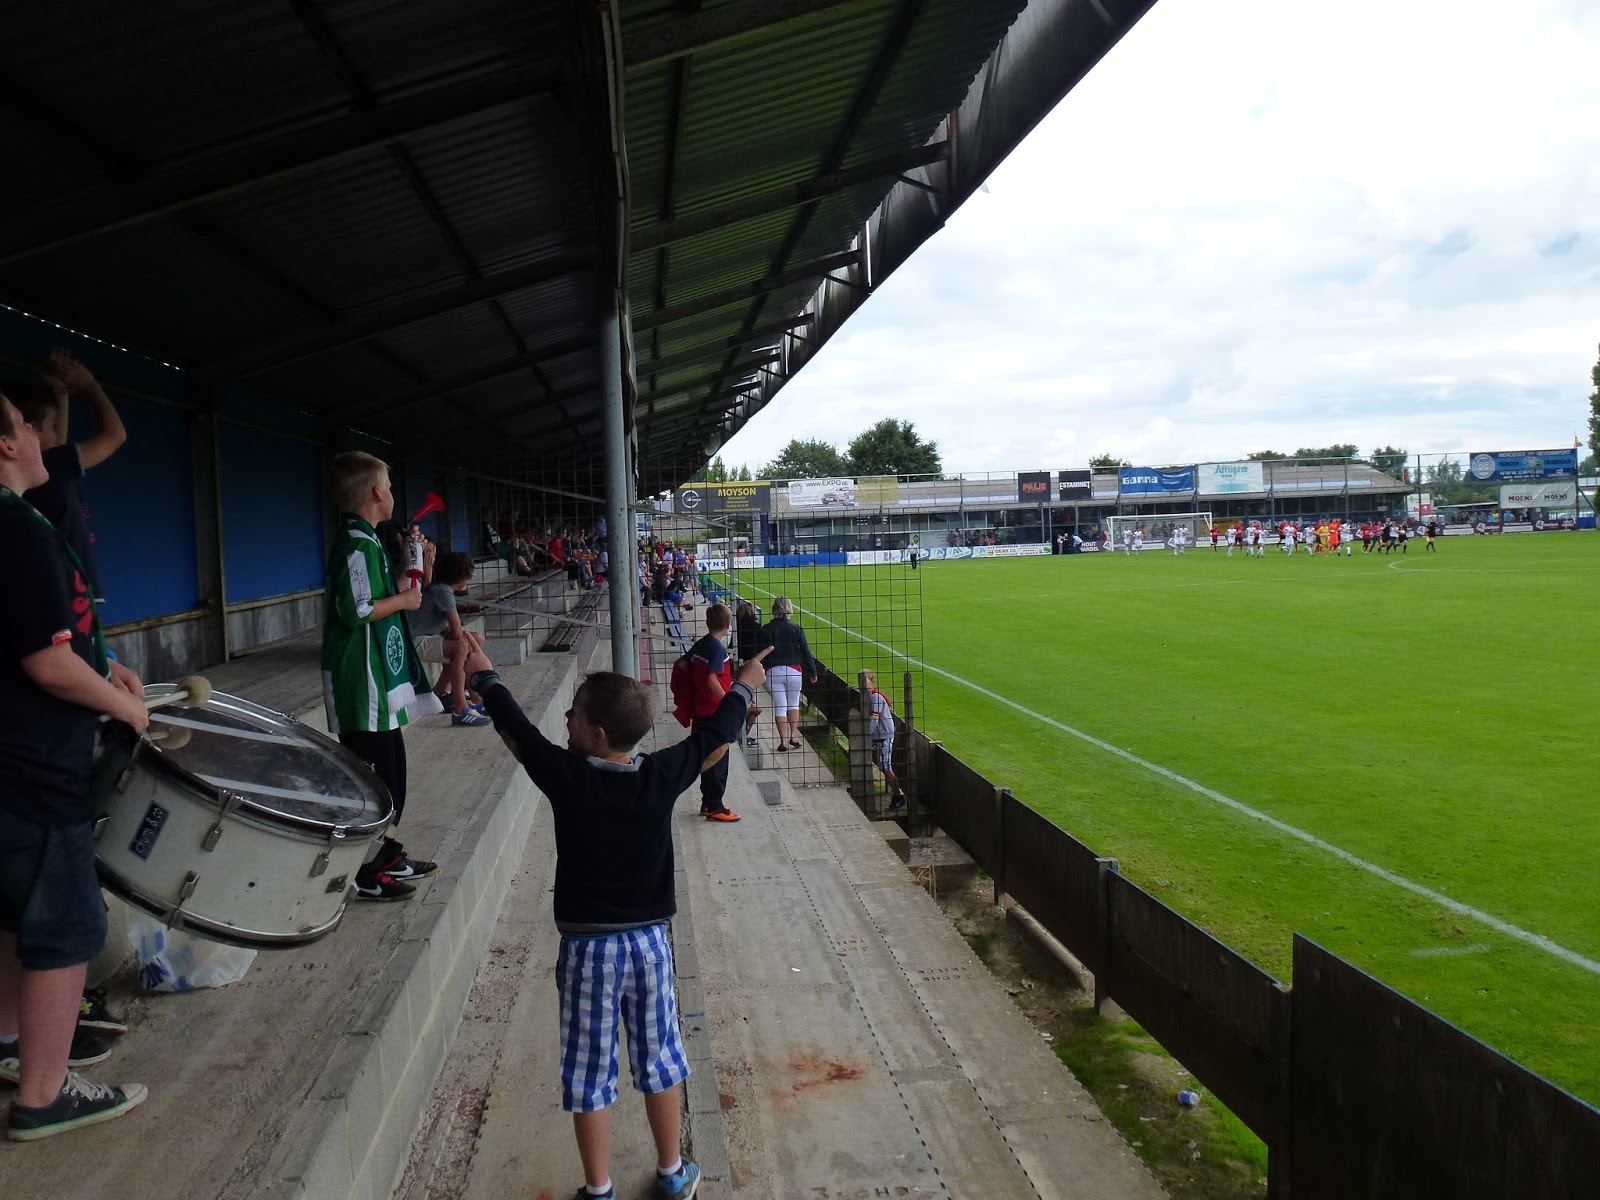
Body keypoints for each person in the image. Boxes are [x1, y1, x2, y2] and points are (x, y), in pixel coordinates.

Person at [463, 645, 771, 1200]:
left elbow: (516, 732)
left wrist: (485, 677)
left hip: (586, 956)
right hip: (651, 948)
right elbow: (714, 736)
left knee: (589, 1073)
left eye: (574, 716)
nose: (565, 722)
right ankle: (673, 1173)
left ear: (597, 734)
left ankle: (599, 1188)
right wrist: (746, 683)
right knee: (661, 1060)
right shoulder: (659, 775)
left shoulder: (568, 777)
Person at [0, 391, 149, 1139]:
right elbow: (46, 664)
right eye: (25, 424)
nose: (35, 433)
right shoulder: (18, 530)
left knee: (9, 916)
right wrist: (122, 707)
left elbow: (35, 631)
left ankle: (7, 1044)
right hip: (32, 766)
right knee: (63, 930)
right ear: (5, 447)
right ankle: (43, 1095)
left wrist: (107, 663)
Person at [321, 451, 448, 901]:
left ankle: (383, 853)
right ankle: (364, 869)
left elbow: (384, 594)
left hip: (377, 679)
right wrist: (406, 602)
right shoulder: (354, 544)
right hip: (362, 683)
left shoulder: (368, 540)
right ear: (376, 493)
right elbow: (356, 610)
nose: (393, 494)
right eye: (390, 486)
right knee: (374, 783)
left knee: (391, 778)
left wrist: (418, 570)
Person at [7, 350, 127, 605]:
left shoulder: (27, 476)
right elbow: (115, 434)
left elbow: (56, 443)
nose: (57, 429)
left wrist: (60, 395)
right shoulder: (54, 465)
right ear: (28, 429)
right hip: (73, 593)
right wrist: (89, 385)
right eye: (50, 424)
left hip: (55, 590)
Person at [414, 550, 490, 727]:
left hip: (424, 637)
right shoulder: (444, 592)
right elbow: (456, 632)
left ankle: (468, 698)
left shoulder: (440, 589)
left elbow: (448, 630)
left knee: (475, 639)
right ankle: (461, 709)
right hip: (413, 642)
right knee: (461, 646)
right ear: (462, 577)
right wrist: (460, 637)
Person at [684, 604, 741, 823]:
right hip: (714, 711)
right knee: (718, 757)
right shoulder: (718, 649)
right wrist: (729, 701)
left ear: (708, 622)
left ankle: (709, 800)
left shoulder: (701, 644)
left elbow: (683, 664)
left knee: (709, 755)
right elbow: (711, 679)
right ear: (728, 625)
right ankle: (714, 804)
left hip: (701, 708)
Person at [762, 596, 816, 752]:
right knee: (793, 703)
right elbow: (806, 651)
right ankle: (794, 736)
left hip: (774, 670)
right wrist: (812, 671)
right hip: (794, 670)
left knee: (780, 706)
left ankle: (783, 741)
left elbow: (760, 651)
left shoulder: (766, 629)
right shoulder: (796, 628)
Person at [861, 670, 906, 810]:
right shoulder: (869, 696)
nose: (862, 683)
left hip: (883, 736)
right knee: (883, 765)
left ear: (872, 681)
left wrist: (866, 737)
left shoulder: (875, 698)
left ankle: (898, 796)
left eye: (865, 680)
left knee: (886, 766)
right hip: (880, 736)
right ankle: (896, 795)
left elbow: (874, 719)